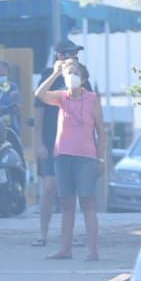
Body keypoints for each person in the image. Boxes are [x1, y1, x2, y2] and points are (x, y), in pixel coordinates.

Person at [36, 56, 106, 262]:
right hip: (62, 156)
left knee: (87, 202)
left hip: (86, 157)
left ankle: (93, 250)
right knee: (66, 204)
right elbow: (39, 94)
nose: (72, 77)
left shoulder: (92, 99)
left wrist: (101, 159)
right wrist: (55, 73)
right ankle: (65, 249)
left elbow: (102, 132)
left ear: (83, 78)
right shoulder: (61, 98)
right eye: (69, 73)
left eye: (76, 73)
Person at [32, 41, 83, 247]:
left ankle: (68, 234)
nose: (75, 58)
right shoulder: (47, 76)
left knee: (69, 192)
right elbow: (38, 113)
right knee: (49, 188)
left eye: (76, 55)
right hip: (51, 142)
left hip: (73, 144)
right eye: (71, 54)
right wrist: (39, 144)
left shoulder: (81, 76)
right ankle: (42, 234)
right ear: (60, 56)